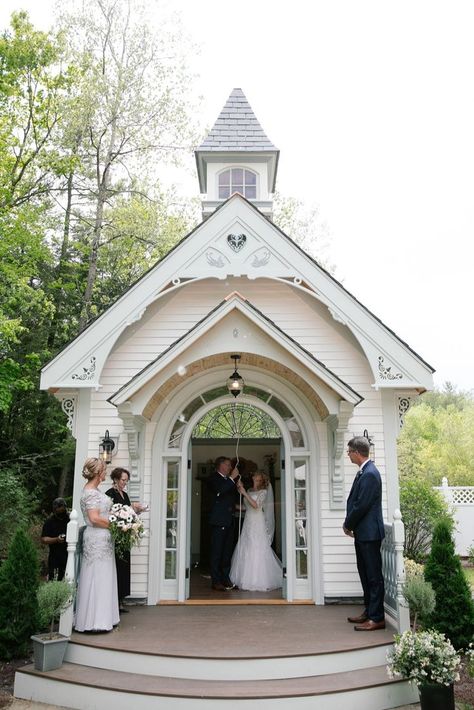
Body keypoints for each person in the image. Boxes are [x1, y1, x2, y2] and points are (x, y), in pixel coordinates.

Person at [343, 436, 385, 631]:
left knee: (373, 576)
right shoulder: (364, 472)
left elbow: (362, 505)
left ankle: (376, 618)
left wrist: (347, 524)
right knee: (365, 573)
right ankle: (369, 611)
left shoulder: (369, 474)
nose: (348, 455)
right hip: (363, 533)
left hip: (369, 533)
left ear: (357, 452)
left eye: (349, 451)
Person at [74, 457, 120, 633]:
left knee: (105, 575)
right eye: (104, 470)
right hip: (96, 539)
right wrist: (117, 525)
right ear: (98, 473)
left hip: (103, 538)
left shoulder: (95, 490)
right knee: (97, 576)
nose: (105, 472)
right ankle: (94, 621)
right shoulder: (91, 493)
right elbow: (93, 518)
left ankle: (106, 617)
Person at [230, 471, 282, 592]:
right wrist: (234, 504)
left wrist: (243, 493)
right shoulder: (249, 491)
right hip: (248, 522)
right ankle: (244, 578)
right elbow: (246, 507)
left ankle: (258, 580)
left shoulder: (263, 492)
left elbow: (256, 505)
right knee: (247, 546)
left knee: (256, 546)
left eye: (258, 478)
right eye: (255, 476)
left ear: (261, 480)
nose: (255, 478)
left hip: (257, 523)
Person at [105, 467, 147, 613]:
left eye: (126, 481)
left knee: (124, 567)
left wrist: (137, 510)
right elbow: (109, 514)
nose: (125, 483)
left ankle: (121, 599)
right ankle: (114, 602)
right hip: (116, 536)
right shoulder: (109, 495)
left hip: (125, 535)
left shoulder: (125, 494)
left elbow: (128, 511)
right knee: (117, 566)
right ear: (116, 479)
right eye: (123, 480)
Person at [208, 456, 240, 591]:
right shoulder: (213, 478)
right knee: (217, 551)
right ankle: (216, 581)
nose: (230, 467)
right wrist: (232, 479)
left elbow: (230, 499)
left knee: (227, 551)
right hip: (219, 520)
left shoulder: (229, 480)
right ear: (220, 465)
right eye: (228, 465)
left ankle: (225, 579)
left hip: (229, 520)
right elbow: (220, 491)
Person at [41, 498, 70, 581]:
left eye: (63, 510)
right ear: (54, 510)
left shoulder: (70, 520)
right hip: (55, 557)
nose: (62, 512)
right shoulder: (49, 522)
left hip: (69, 554)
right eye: (59, 510)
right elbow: (44, 539)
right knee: (54, 579)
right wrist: (56, 539)